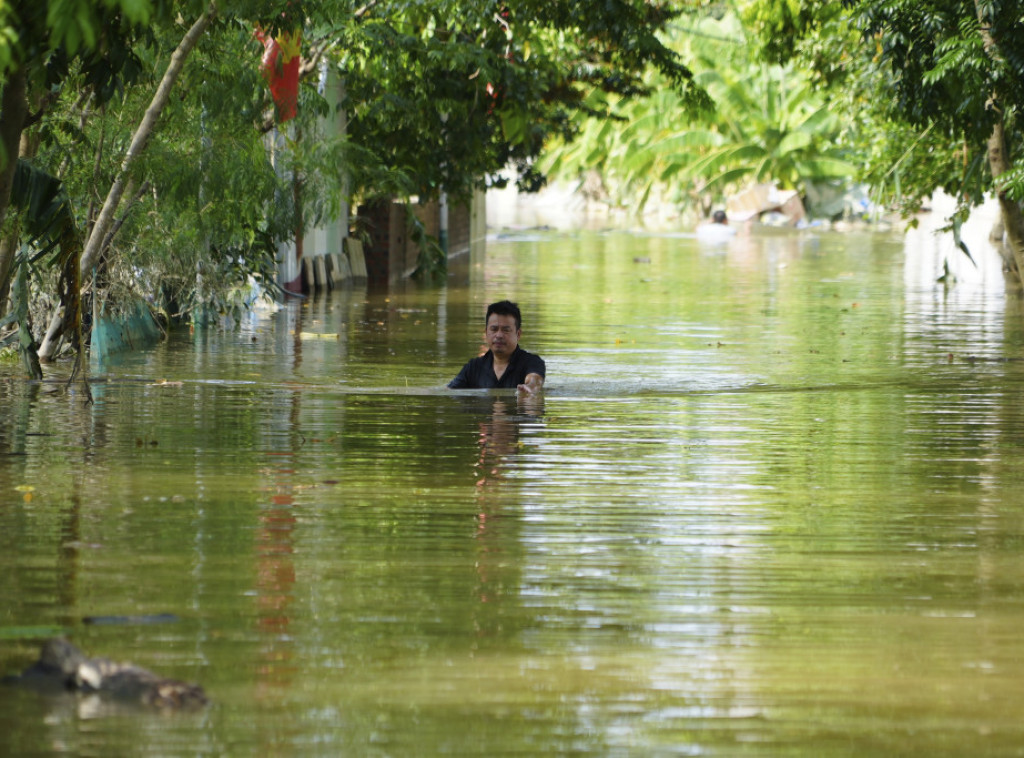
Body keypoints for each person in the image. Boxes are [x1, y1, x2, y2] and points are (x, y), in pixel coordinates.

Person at [449, 300, 545, 394]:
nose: (499, 335)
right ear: (486, 332)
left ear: (518, 334)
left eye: (506, 330)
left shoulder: (532, 362)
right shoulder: (473, 367)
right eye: (494, 329)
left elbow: (535, 380)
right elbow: (449, 392)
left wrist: (529, 387)